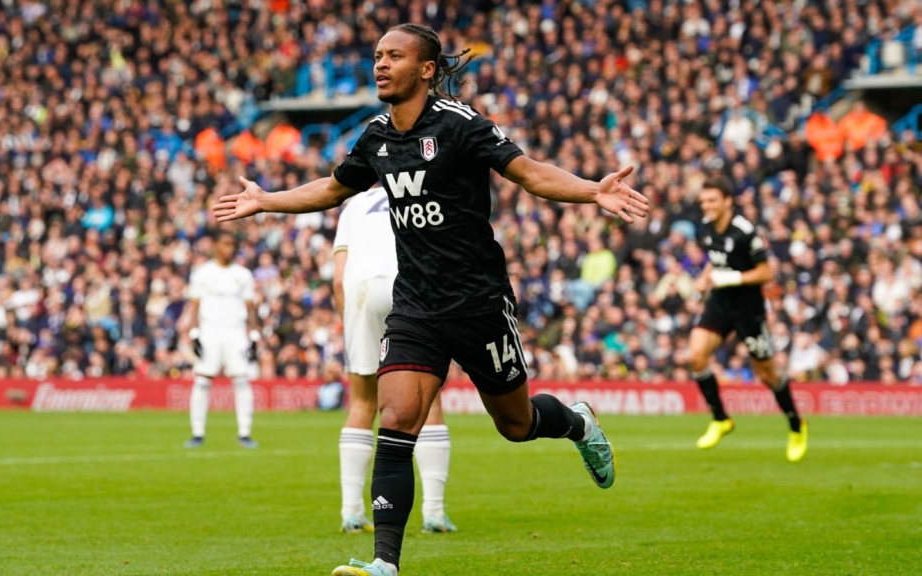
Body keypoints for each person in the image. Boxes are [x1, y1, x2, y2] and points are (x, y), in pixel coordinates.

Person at [212, 23, 649, 576]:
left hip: (479, 302)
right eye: (376, 56)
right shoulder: (374, 135)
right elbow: (331, 188)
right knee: (396, 419)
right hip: (415, 304)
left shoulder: (462, 125)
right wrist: (268, 201)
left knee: (515, 425)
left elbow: (531, 174)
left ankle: (576, 423)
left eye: (394, 56)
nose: (380, 64)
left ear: (425, 68)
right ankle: (383, 564)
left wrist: (594, 189)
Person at [333, 187, 456, 535]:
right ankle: (433, 512)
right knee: (428, 397)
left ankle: (351, 512)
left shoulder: (354, 204)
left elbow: (338, 278)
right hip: (409, 285)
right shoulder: (422, 191)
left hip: (361, 291)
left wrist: (351, 323)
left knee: (362, 401)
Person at [690, 177, 808, 462]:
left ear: (728, 201)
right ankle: (720, 418)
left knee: (767, 373)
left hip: (748, 309)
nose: (706, 206)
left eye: (712, 200)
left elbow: (767, 273)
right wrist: (705, 278)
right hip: (720, 303)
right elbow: (715, 258)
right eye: (704, 201)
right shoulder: (706, 228)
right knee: (695, 355)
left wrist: (733, 277)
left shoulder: (745, 231)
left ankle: (796, 424)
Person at [179, 229, 260, 449]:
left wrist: (254, 336)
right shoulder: (202, 273)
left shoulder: (243, 274)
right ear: (215, 245)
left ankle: (245, 432)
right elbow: (194, 307)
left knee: (242, 380)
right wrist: (194, 334)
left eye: (232, 245)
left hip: (236, 332)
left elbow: (250, 307)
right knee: (202, 380)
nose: (229, 249)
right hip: (210, 332)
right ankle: (197, 432)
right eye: (225, 244)